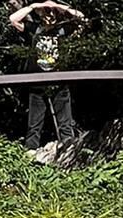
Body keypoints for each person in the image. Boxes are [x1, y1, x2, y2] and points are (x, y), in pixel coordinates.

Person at [8, 1, 88, 161]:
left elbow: (83, 20)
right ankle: (30, 156)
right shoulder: (34, 29)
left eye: (52, 12)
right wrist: (34, 6)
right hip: (37, 82)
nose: (49, 15)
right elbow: (13, 19)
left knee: (65, 122)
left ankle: (69, 153)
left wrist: (61, 7)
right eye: (46, 12)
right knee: (34, 124)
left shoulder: (63, 31)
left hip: (59, 81)